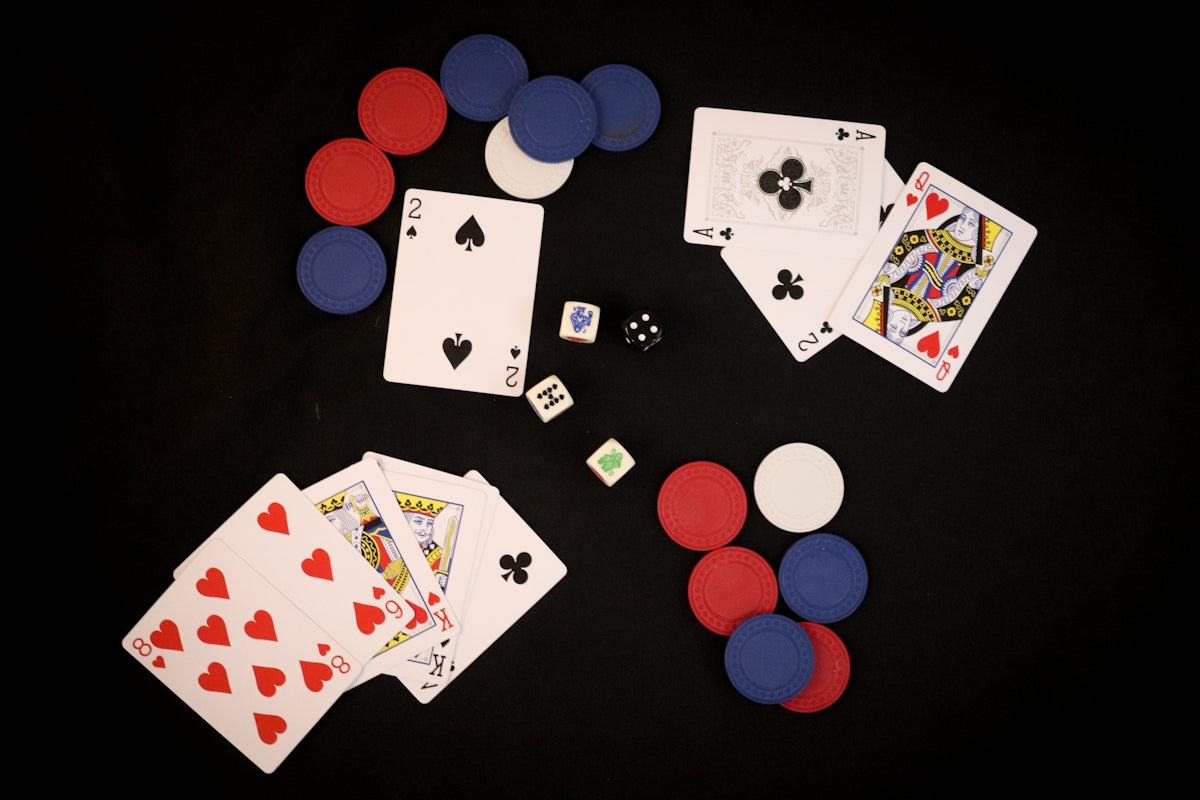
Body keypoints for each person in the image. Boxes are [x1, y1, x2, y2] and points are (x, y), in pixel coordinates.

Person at [861, 205, 1003, 343]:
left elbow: (902, 245)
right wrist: (973, 284)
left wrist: (890, 265)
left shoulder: (886, 284)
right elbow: (964, 305)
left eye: (893, 326)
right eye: (903, 331)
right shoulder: (941, 312)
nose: (902, 324)